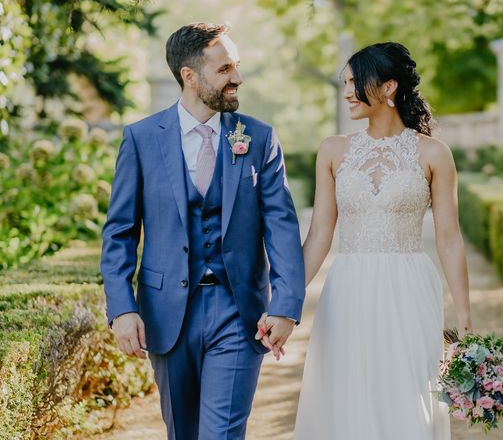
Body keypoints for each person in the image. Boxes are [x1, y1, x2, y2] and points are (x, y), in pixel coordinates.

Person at [101, 22, 305, 440]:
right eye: (225, 69)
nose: (237, 78)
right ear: (189, 76)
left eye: (237, 66)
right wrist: (122, 309)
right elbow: (120, 231)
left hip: (238, 312)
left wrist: (285, 305)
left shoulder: (259, 138)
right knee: (184, 433)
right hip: (166, 312)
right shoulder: (141, 139)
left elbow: (281, 226)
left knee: (223, 434)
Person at [264, 42, 473, 439]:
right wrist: (283, 303)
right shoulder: (333, 150)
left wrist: (465, 320)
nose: (346, 92)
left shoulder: (434, 153)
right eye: (344, 83)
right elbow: (320, 235)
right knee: (349, 392)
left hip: (410, 287)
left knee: (407, 391)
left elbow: (449, 239)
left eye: (354, 82)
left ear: (389, 86)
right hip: (349, 287)